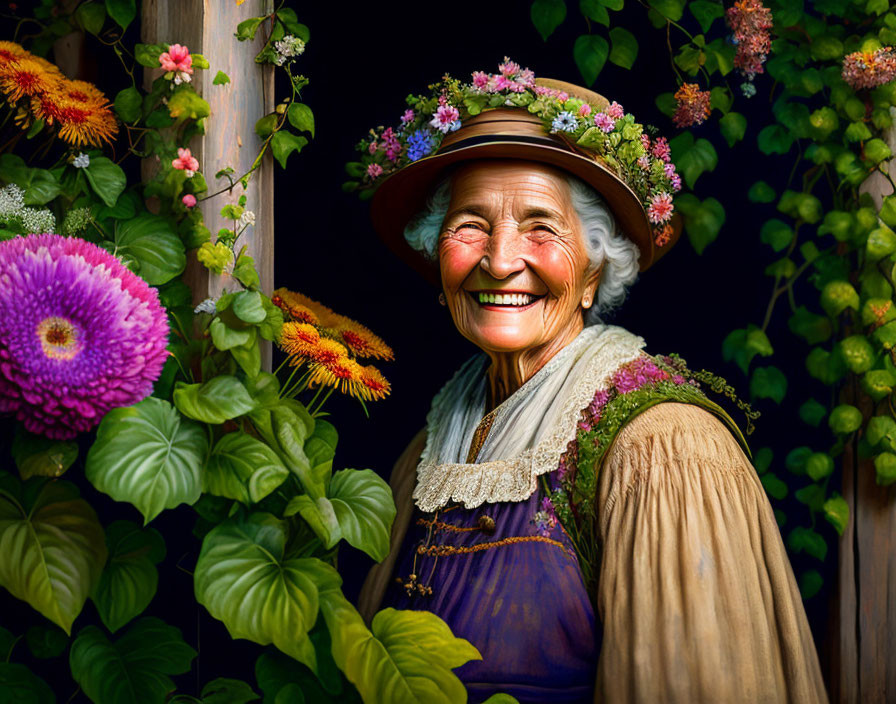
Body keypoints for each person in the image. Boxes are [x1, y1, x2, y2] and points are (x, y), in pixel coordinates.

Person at [349, 60, 828, 703]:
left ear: (596, 270)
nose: (500, 260)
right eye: (470, 226)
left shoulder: (663, 449)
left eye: (542, 228)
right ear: (439, 258)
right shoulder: (440, 435)